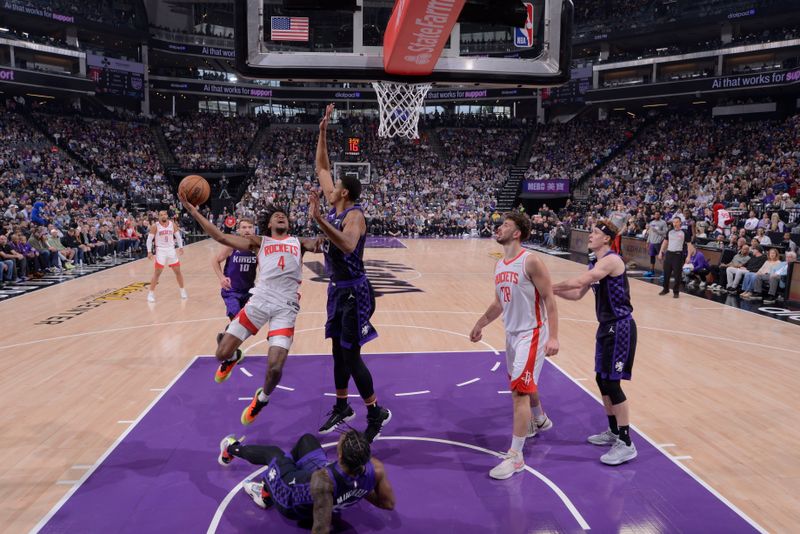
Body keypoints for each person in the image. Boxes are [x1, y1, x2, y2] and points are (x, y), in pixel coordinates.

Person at [180, 194, 320, 426]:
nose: (280, 217)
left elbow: (330, 243)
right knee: (221, 354)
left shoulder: (300, 242)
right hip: (259, 301)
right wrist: (192, 210)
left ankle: (262, 399)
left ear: (288, 223)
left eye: (283, 215)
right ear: (269, 225)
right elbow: (220, 236)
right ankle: (234, 356)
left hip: (286, 308)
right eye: (276, 216)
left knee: (275, 368)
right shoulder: (259, 242)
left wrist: (319, 217)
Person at [311, 103, 391, 443]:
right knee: (336, 351)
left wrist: (319, 220)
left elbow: (346, 245)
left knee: (351, 354)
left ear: (343, 193)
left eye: (335, 188)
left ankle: (376, 413)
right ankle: (343, 405)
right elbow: (321, 167)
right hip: (337, 288)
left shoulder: (354, 215)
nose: (329, 189)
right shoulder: (335, 204)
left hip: (355, 292)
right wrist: (323, 130)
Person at [469, 212, 559, 480]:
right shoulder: (500, 265)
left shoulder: (531, 261)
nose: (500, 228)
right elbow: (498, 303)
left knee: (519, 391)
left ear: (517, 232)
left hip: (532, 334)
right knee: (523, 384)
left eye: (506, 225)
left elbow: (550, 300)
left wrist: (553, 336)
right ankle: (540, 418)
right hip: (511, 335)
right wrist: (481, 323)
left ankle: (515, 456)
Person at [552, 221, 637, 466]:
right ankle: (613, 431)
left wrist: (546, 285)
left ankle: (626, 442)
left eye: (596, 233)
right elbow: (577, 294)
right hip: (606, 327)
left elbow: (580, 282)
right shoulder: (596, 262)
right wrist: (552, 293)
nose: (591, 235)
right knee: (602, 380)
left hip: (621, 326)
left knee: (612, 382)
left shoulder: (611, 261)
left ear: (607, 239)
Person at [217, 430, 394, 532]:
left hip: (290, 497)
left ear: (339, 455)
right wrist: (357, 490)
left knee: (272, 453)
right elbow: (388, 504)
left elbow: (320, 529)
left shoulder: (323, 483)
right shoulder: (375, 470)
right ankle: (271, 482)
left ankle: (231, 449)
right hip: (321, 484)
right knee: (307, 441)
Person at [212, 218, 258, 320]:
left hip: (249, 290)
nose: (247, 230)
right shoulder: (232, 245)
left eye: (250, 227)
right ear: (238, 230)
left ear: (254, 229)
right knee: (236, 319)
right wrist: (222, 278)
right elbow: (215, 260)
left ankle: (225, 335)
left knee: (244, 325)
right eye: (244, 227)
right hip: (231, 290)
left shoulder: (256, 247)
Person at [146, 210, 187, 302]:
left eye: (164, 214)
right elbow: (149, 240)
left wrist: (180, 247)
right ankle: (150, 294)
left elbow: (178, 236)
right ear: (158, 217)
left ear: (167, 215)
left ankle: (182, 290)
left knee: (178, 271)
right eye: (161, 215)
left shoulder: (172, 224)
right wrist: (149, 251)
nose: (163, 216)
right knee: (157, 273)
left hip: (171, 250)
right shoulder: (155, 226)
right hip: (160, 250)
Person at [658, 217, 688, 298]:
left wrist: (688, 256)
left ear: (680, 223)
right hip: (669, 254)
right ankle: (665, 289)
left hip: (678, 255)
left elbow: (689, 245)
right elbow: (665, 242)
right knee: (666, 273)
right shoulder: (669, 231)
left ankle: (676, 292)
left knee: (677, 275)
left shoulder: (684, 232)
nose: (675, 223)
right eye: (674, 222)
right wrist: (661, 252)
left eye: (677, 222)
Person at [644, 211, 667, 278]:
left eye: (658, 214)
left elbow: (665, 232)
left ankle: (664, 272)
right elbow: (650, 233)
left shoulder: (663, 222)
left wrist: (657, 231)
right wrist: (647, 242)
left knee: (661, 258)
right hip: (652, 242)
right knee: (652, 257)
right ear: (654, 215)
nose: (656, 215)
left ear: (660, 215)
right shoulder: (652, 222)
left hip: (658, 242)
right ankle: (652, 271)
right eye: (655, 214)